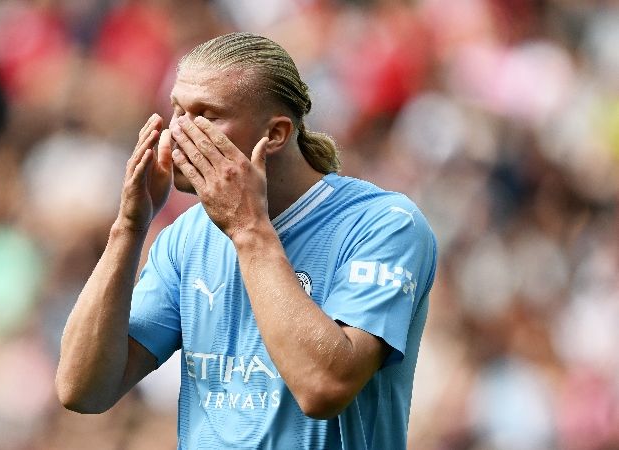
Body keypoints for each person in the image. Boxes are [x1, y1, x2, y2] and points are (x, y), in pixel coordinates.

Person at [56, 32, 437, 449]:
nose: (178, 133)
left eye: (207, 116)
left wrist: (248, 229)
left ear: (274, 134)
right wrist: (128, 227)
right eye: (177, 111)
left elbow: (324, 386)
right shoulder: (186, 237)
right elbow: (83, 389)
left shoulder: (383, 225)